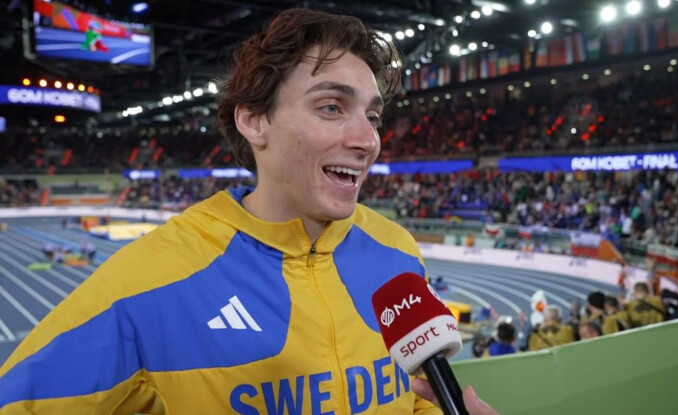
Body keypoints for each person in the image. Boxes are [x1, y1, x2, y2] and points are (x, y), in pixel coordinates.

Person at [0, 8, 496, 415]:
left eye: (373, 116)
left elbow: (412, 399)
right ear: (254, 120)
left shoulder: (398, 251)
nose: (368, 140)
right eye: (331, 107)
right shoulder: (149, 281)